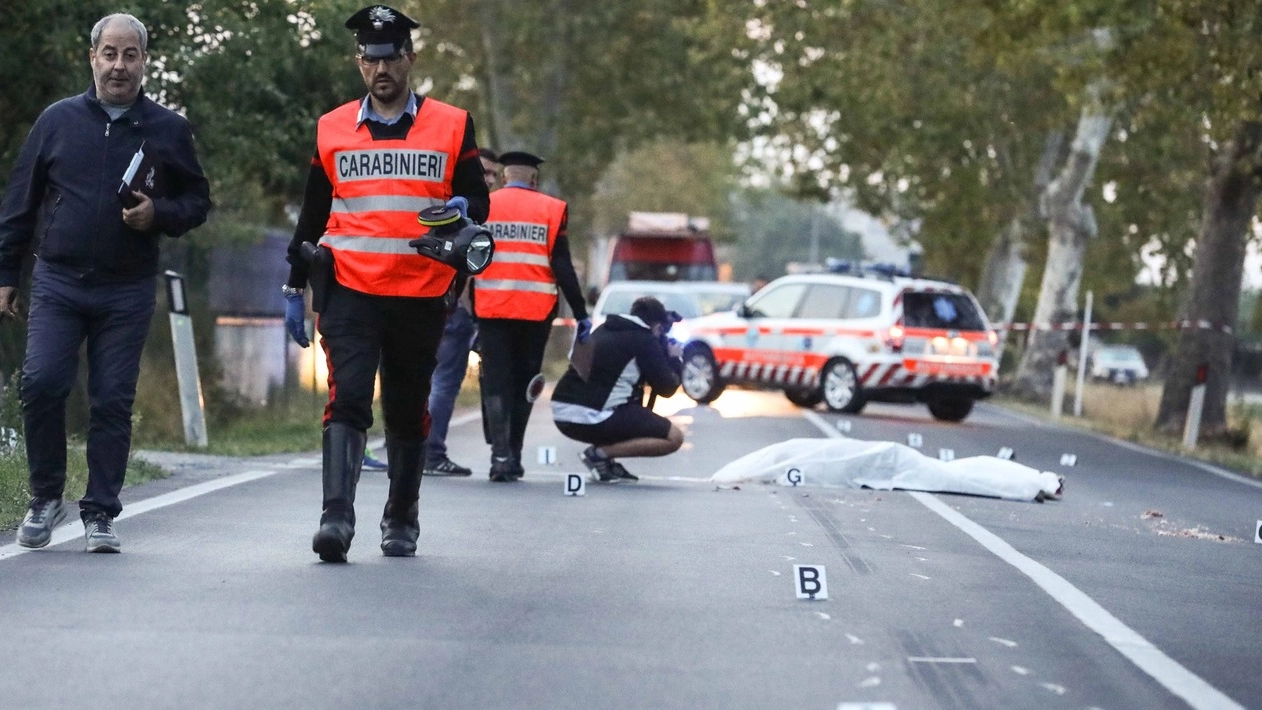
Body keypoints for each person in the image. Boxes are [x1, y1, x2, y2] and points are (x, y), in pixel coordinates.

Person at [283, 4, 489, 562]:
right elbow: (312, 214)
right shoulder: (331, 128)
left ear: (410, 59)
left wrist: (465, 206)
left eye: (392, 58)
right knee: (347, 398)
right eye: (371, 59)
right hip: (350, 287)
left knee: (405, 407)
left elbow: (479, 201)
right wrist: (293, 285)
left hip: (421, 292)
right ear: (359, 64)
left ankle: (401, 518)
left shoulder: (452, 124)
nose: (382, 70)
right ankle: (336, 518)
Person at [0, 13, 211, 553]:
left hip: (126, 286)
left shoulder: (168, 128)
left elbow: (196, 203)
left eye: (130, 55)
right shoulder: (57, 121)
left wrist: (157, 214)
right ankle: (46, 497)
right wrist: (6, 274)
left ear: (145, 61)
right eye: (110, 54)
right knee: (42, 382)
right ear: (92, 57)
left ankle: (100, 513)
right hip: (58, 279)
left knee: (112, 399)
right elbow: (20, 203)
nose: (119, 66)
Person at [474, 151, 589, 482]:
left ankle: (499, 457)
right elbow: (563, 267)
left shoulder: (485, 207)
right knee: (525, 384)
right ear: (534, 180)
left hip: (492, 309)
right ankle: (516, 453)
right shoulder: (551, 210)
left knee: (495, 382)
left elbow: (471, 256)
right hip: (535, 313)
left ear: (506, 177)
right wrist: (581, 313)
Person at [421, 148, 501, 477]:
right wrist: (470, 314)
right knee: (444, 383)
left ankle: (417, 449)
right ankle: (432, 452)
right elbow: (467, 269)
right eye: (484, 172)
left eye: (495, 174)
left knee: (426, 382)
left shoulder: (449, 207)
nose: (490, 179)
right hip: (452, 308)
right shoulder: (464, 213)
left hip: (433, 304)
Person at [551, 297, 685, 482]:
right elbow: (667, 388)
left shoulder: (604, 329)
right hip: (591, 416)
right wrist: (674, 358)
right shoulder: (643, 339)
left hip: (561, 412)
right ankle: (599, 454)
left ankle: (606, 461)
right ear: (656, 326)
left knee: (619, 402)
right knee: (674, 438)